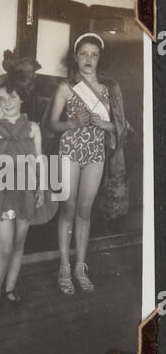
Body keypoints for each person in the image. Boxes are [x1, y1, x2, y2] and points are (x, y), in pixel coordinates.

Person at [50, 33, 127, 295]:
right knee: (68, 210)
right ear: (75, 56)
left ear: (100, 58)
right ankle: (63, 266)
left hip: (95, 153)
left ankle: (80, 267)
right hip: (70, 151)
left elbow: (120, 126)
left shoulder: (110, 89)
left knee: (85, 211)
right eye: (84, 53)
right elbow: (51, 124)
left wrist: (104, 124)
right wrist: (73, 123)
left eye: (94, 54)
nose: (89, 59)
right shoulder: (66, 87)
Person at [0, 74, 44, 310]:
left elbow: (39, 162)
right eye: (1, 99)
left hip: (26, 191)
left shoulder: (33, 129)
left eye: (12, 97)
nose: (6, 103)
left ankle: (9, 288)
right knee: (5, 244)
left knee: (19, 243)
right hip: (2, 192)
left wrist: (40, 188)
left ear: (22, 99)